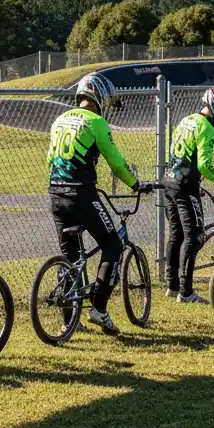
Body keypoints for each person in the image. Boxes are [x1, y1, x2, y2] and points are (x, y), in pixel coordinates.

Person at [48, 71, 149, 335]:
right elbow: (116, 163)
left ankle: (69, 320)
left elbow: (51, 159)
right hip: (81, 194)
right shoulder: (95, 122)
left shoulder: (59, 120)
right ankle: (99, 309)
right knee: (112, 244)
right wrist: (136, 184)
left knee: (69, 256)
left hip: (55, 194)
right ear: (100, 97)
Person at [163, 86, 214, 304]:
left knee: (176, 234)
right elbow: (204, 166)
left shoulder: (186, 120)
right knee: (194, 236)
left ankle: (172, 286)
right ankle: (186, 292)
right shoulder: (205, 127)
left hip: (169, 182)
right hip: (185, 187)